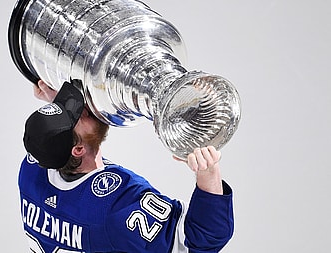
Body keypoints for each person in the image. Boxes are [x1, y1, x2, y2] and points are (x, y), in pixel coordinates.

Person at [19, 80, 234, 253]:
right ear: (78, 150)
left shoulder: (32, 172)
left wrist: (58, 111)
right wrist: (208, 173)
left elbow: (48, 142)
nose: (86, 107)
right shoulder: (117, 205)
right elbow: (202, 242)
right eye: (79, 114)